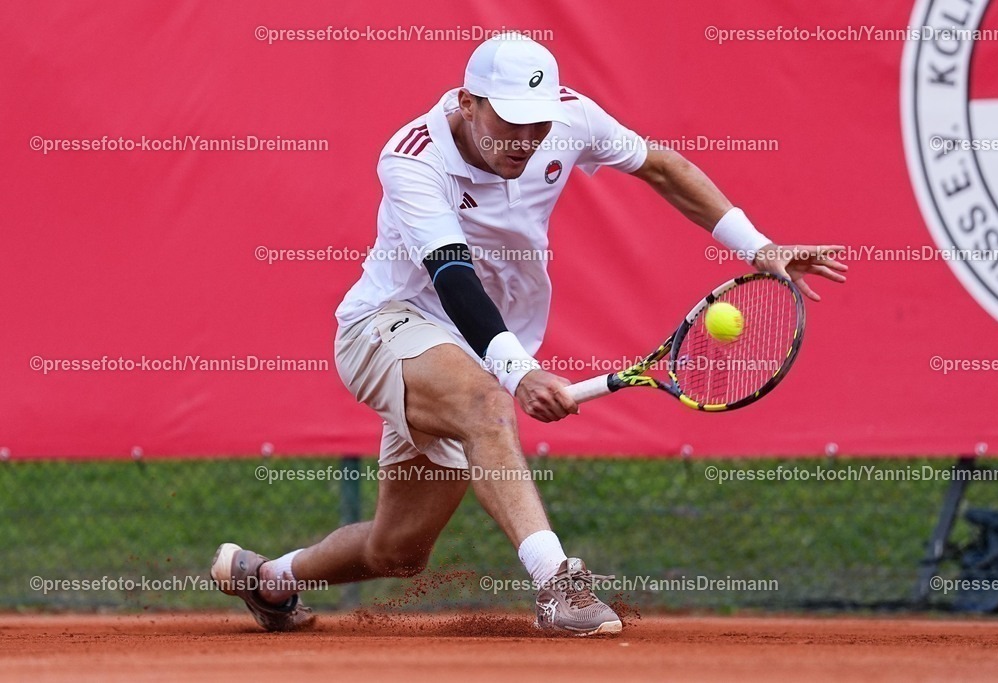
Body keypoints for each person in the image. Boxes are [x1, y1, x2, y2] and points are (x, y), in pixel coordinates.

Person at [211, 32, 846, 636]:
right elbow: (453, 276)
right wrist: (516, 375)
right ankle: (558, 587)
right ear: (467, 103)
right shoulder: (412, 159)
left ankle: (268, 579)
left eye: (537, 123)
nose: (526, 139)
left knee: (397, 551)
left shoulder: (569, 121)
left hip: (479, 346)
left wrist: (759, 247)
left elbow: (661, 167)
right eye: (509, 122)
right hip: (387, 326)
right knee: (486, 405)